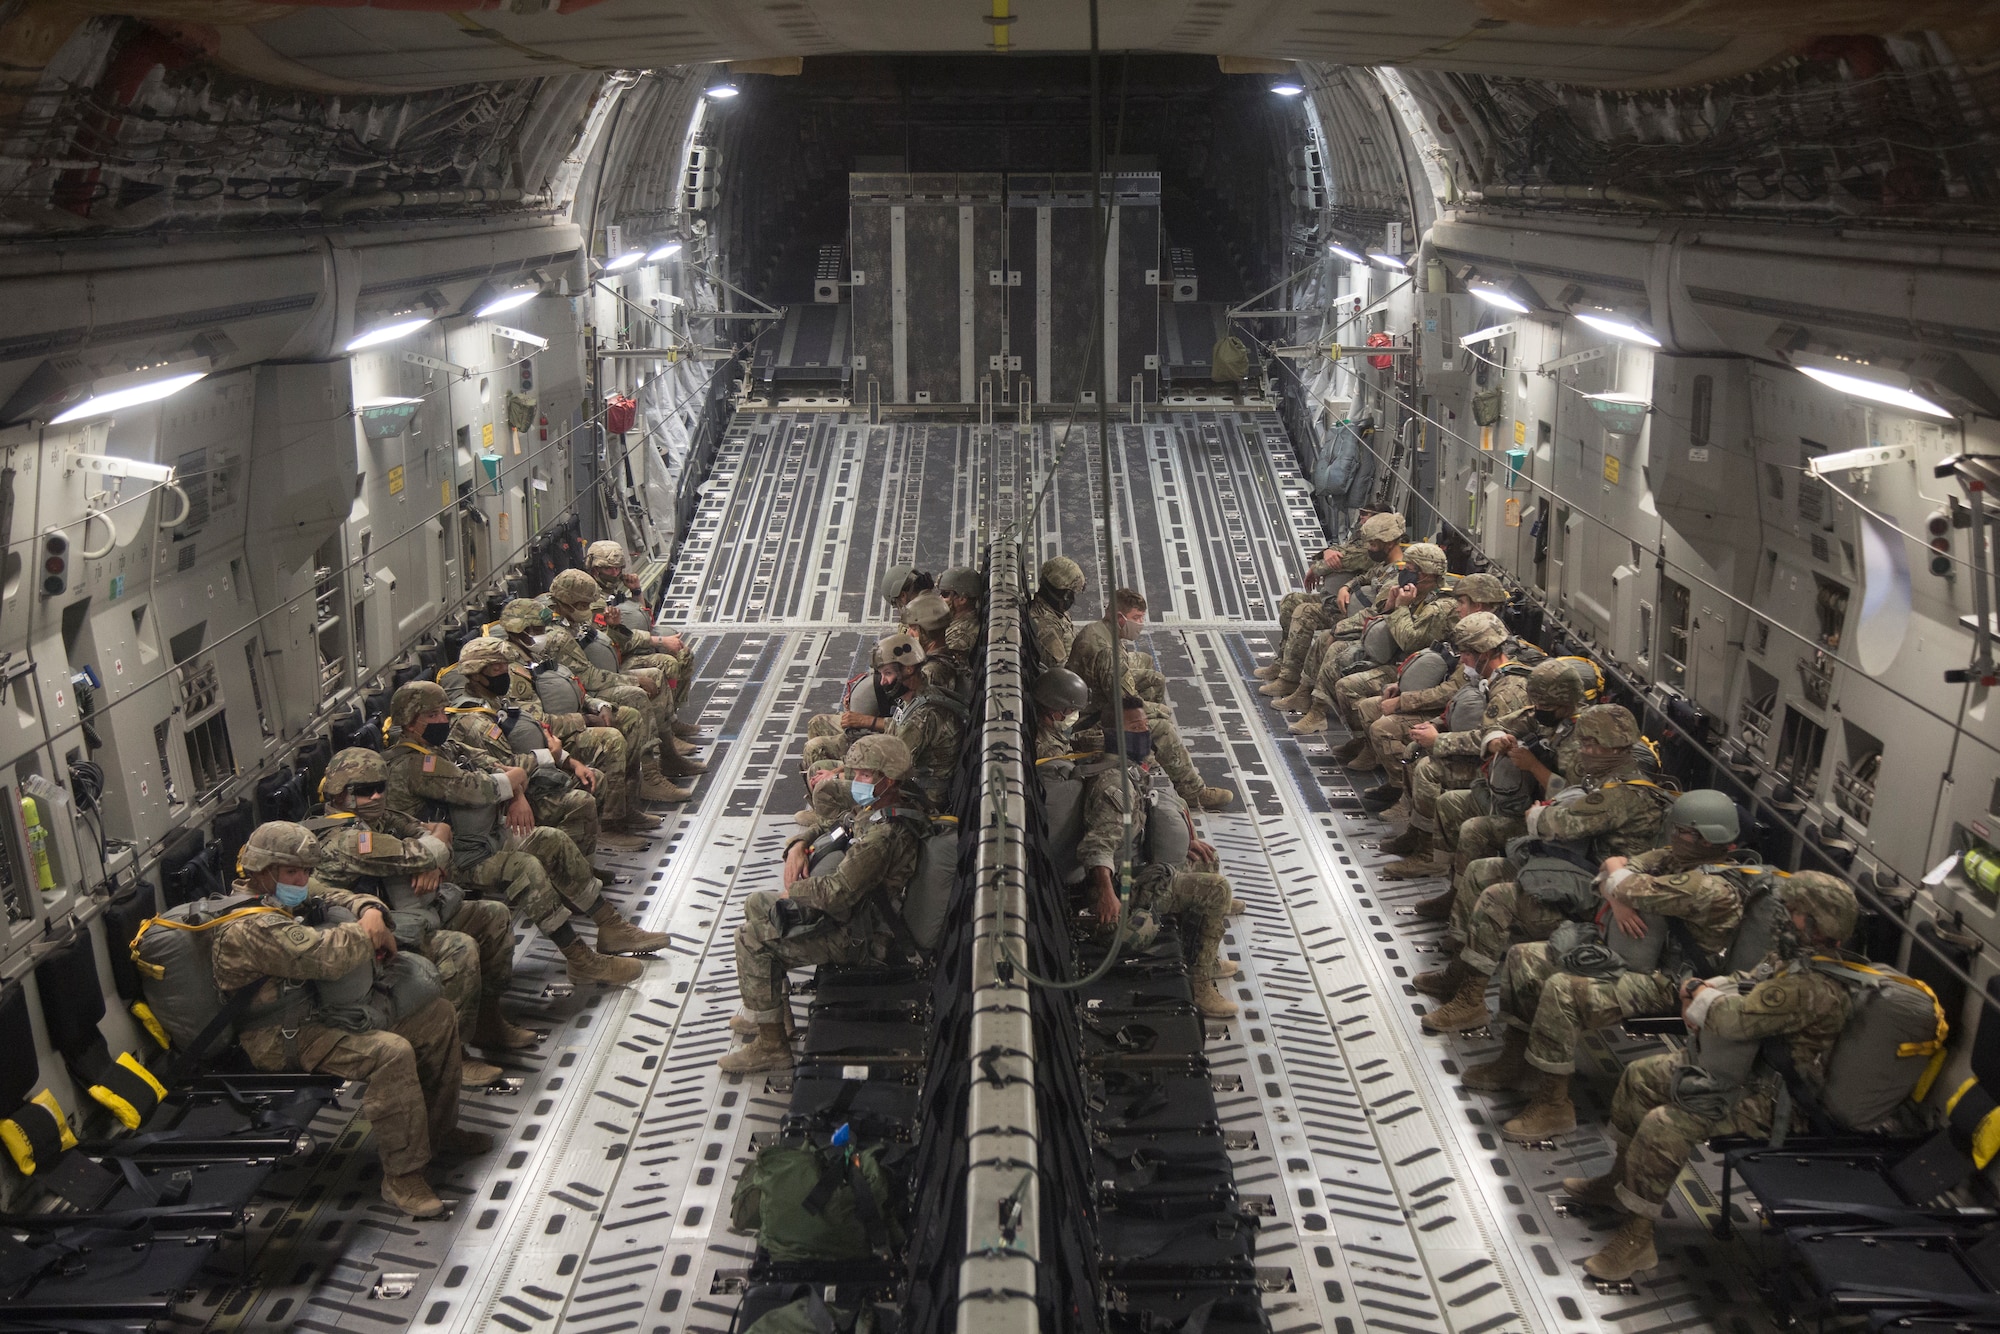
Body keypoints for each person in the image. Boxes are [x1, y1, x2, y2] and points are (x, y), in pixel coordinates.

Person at [1563, 873, 1859, 1281]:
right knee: (1639, 1076)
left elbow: (1734, 1020)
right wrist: (1702, 987)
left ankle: (1637, 1239)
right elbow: (1744, 983)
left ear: (1820, 925)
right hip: (1738, 1072)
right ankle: (1619, 1183)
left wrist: (1699, 998)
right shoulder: (1790, 960)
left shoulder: (1814, 987)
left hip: (1771, 1103)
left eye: (1796, 913)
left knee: (1664, 1125)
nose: (1786, 919)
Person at [210, 822, 487, 1218]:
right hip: (280, 1036)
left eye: (306, 871)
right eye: (292, 872)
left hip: (316, 1015)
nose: (302, 880)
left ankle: (440, 1133)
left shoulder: (280, 899)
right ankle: (402, 1178)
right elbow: (325, 956)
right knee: (391, 1053)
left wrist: (368, 907)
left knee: (437, 1016)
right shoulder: (249, 927)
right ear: (262, 872)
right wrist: (369, 929)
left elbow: (334, 894)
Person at [1471, 790, 1748, 1140]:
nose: (1677, 839)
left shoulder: (1711, 887)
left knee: (1564, 990)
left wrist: (1619, 886)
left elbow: (1622, 878)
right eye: (1676, 830)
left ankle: (1554, 1105)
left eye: (1688, 834)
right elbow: (1614, 866)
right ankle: (1516, 1062)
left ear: (1714, 839)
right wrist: (1619, 897)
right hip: (1634, 958)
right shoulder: (1675, 859)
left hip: (1671, 981)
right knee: (1524, 957)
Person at [380, 681, 658, 986]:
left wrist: (515, 788)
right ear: (409, 722)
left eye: (442, 713)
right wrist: (511, 780)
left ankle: (611, 927)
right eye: (432, 715)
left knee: (551, 840)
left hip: (481, 838)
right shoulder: (416, 764)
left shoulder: (442, 748)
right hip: (449, 859)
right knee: (523, 868)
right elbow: (479, 789)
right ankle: (580, 959)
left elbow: (498, 765)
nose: (443, 720)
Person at [1420, 703, 1673, 1033]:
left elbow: (1557, 823)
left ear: (1608, 747)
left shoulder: (1622, 793)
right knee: (1482, 871)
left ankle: (1471, 1001)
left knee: (1499, 898)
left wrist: (1539, 816)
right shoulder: (1603, 778)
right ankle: (1459, 970)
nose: (1583, 750)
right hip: (1580, 874)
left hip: (1597, 900)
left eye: (1589, 745)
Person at [308, 748, 539, 1086]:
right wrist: (431, 855)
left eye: (380, 787)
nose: (375, 796)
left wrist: (433, 854)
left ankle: (488, 1023)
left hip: (413, 914)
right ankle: (454, 1056)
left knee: (493, 916)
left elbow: (436, 829)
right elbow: (419, 850)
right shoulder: (346, 838)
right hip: (376, 936)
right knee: (459, 949)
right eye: (363, 790)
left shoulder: (379, 819)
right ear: (338, 793)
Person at [722, 735, 930, 1073]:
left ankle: (772, 1047)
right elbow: (839, 824)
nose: (856, 781)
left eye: (864, 775)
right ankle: (776, 1016)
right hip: (852, 916)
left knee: (751, 939)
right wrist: (799, 844)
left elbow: (836, 893)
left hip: (858, 937)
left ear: (886, 780)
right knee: (758, 903)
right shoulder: (880, 806)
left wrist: (797, 889)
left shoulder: (883, 835)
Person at [1076, 698, 1238, 1018]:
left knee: (1206, 860)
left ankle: (1201, 954)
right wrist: (1108, 895)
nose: (1145, 733)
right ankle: (1201, 983)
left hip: (1142, 869)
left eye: (1145, 726)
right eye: (1136, 728)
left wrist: (1183, 840)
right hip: (1129, 887)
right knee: (1217, 889)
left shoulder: (1131, 770)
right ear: (1116, 735)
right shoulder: (1115, 786)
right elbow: (1098, 847)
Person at [447, 636, 658, 854]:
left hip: (538, 772)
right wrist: (551, 757)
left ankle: (583, 859)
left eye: (505, 666)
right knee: (582, 799)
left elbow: (535, 725)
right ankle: (574, 860)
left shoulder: (498, 699)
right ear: (476, 674)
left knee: (594, 778)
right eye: (496, 668)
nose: (504, 672)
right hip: (512, 796)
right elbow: (501, 767)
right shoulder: (474, 720)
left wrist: (570, 761)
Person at [1376, 612, 1534, 877]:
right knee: (1414, 751)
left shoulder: (1508, 691)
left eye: (1467, 654)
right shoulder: (1488, 677)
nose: (1462, 660)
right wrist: (1437, 724)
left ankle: (1430, 856)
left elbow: (1487, 738)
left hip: (1498, 770)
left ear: (1484, 652)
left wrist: (1439, 741)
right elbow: (1460, 703)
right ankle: (1417, 833)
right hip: (1482, 755)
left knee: (1428, 768)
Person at [1327, 571, 1512, 772]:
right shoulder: (1469, 631)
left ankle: (1401, 786)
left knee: (1382, 728)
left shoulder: (1487, 643)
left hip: (1457, 712)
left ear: (1477, 606)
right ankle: (1371, 750)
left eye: (1462, 603)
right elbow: (1442, 660)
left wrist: (1404, 701)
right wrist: (1403, 684)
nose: (1457, 609)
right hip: (1444, 701)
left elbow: (1452, 689)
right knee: (1369, 707)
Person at [1069, 589, 1234, 811]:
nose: (1141, 624)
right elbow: (1126, 704)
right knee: (1163, 727)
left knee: (1152, 677)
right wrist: (1158, 710)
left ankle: (1145, 750)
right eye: (1136, 618)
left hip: (1092, 705)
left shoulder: (1095, 630)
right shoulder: (1109, 653)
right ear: (1120, 618)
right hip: (1091, 727)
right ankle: (1194, 792)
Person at [544, 569, 705, 792]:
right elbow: (589, 676)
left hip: (597, 678)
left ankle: (668, 754)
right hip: (586, 690)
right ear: (566, 600)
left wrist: (614, 628)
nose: (587, 610)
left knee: (654, 676)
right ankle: (649, 777)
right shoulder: (557, 633)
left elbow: (605, 645)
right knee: (636, 695)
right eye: (582, 605)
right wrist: (634, 681)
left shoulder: (572, 620)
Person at [1291, 542, 1458, 735]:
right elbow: (1384, 623)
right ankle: (1317, 711)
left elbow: (1409, 641)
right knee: (1335, 654)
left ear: (1427, 575)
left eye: (1411, 569)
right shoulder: (1416, 594)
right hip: (1392, 653)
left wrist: (1402, 607)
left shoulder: (1441, 606)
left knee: (1347, 686)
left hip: (1409, 666)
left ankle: (1365, 740)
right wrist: (1390, 606)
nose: (1404, 573)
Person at [1261, 511, 1404, 702]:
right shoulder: (1384, 565)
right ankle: (1284, 666)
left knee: (1306, 614)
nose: (1369, 548)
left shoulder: (1397, 575)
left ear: (1389, 543)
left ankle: (1296, 685)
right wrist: (1347, 586)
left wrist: (1339, 628)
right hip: (1346, 606)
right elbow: (1364, 576)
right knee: (1290, 601)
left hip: (1356, 620)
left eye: (1373, 544)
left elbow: (1377, 613)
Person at [583, 539, 703, 727]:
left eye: (618, 569)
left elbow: (644, 620)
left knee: (683, 654)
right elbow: (615, 640)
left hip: (630, 649)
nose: (615, 574)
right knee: (668, 663)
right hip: (616, 659)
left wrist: (636, 592)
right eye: (609, 569)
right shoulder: (592, 599)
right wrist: (659, 641)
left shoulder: (612, 592)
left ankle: (673, 718)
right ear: (595, 569)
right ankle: (666, 728)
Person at [1028, 555, 1085, 666]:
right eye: (1070, 593)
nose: (1072, 599)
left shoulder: (1055, 611)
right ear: (1062, 593)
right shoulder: (1044, 626)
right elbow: (1062, 671)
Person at [937, 567, 985, 659]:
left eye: (945, 594)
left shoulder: (961, 634)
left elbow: (941, 665)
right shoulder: (954, 621)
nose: (939, 598)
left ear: (962, 599)